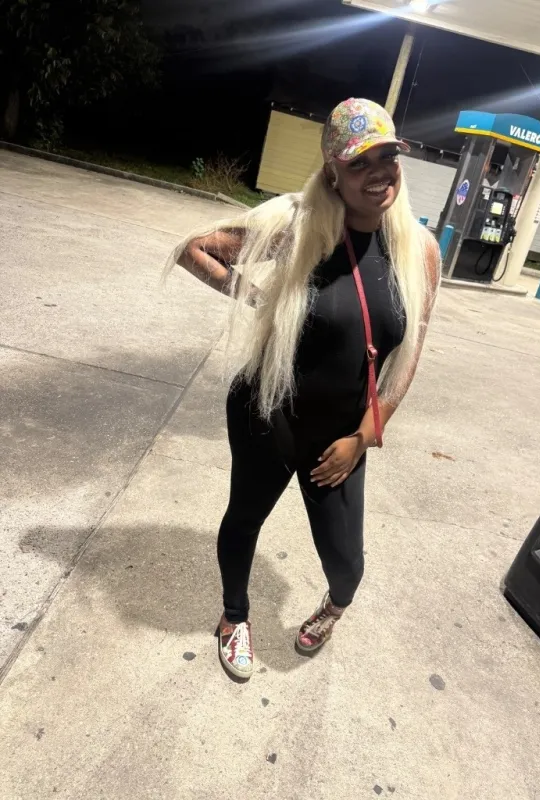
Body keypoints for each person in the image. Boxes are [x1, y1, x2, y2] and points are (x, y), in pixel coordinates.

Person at [167, 98, 440, 680]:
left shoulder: (419, 251)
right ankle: (233, 617)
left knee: (348, 566)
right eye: (360, 162)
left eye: (388, 157)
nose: (379, 173)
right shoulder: (299, 227)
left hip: (343, 434)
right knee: (244, 520)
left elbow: (407, 358)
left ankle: (332, 609)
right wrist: (259, 299)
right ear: (333, 172)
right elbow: (196, 250)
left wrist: (363, 438)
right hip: (268, 413)